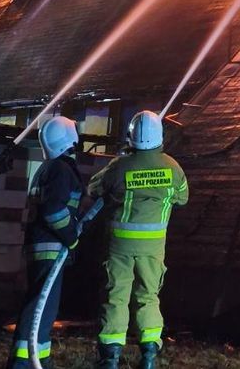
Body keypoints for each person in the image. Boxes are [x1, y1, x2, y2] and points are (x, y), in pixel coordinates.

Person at [88, 111, 188, 369]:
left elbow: (93, 188)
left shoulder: (119, 166)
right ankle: (149, 356)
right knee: (149, 297)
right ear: (160, 136)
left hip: (120, 246)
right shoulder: (173, 167)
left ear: (130, 137)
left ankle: (110, 358)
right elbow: (182, 198)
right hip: (153, 248)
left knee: (116, 297)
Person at [6, 117, 85, 369]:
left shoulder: (47, 168)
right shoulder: (61, 170)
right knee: (40, 308)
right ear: (69, 139)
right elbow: (53, 211)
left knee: (43, 309)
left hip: (43, 246)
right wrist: (72, 237)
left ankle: (39, 360)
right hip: (51, 247)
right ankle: (23, 363)